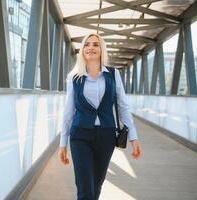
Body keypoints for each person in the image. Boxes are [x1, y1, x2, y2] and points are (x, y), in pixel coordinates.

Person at [58, 33, 142, 200]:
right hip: (80, 135)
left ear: (101, 49)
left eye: (95, 44)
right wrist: (63, 142)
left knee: (96, 186)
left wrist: (133, 136)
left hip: (106, 136)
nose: (91, 47)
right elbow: (68, 111)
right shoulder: (74, 77)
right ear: (82, 50)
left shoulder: (113, 74)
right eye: (87, 44)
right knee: (84, 188)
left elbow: (123, 106)